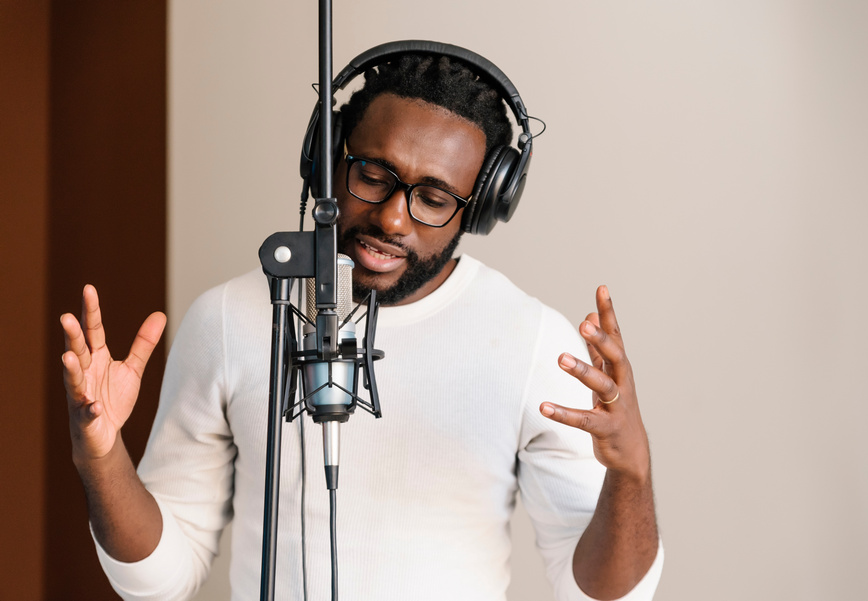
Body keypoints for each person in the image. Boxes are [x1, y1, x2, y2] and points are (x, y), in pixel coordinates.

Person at [61, 49, 663, 600]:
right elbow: (157, 580)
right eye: (374, 175)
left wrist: (631, 474)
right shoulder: (228, 319)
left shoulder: (535, 343)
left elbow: (605, 595)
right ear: (325, 161)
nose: (393, 218)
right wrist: (103, 460)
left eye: (433, 198)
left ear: (479, 210)